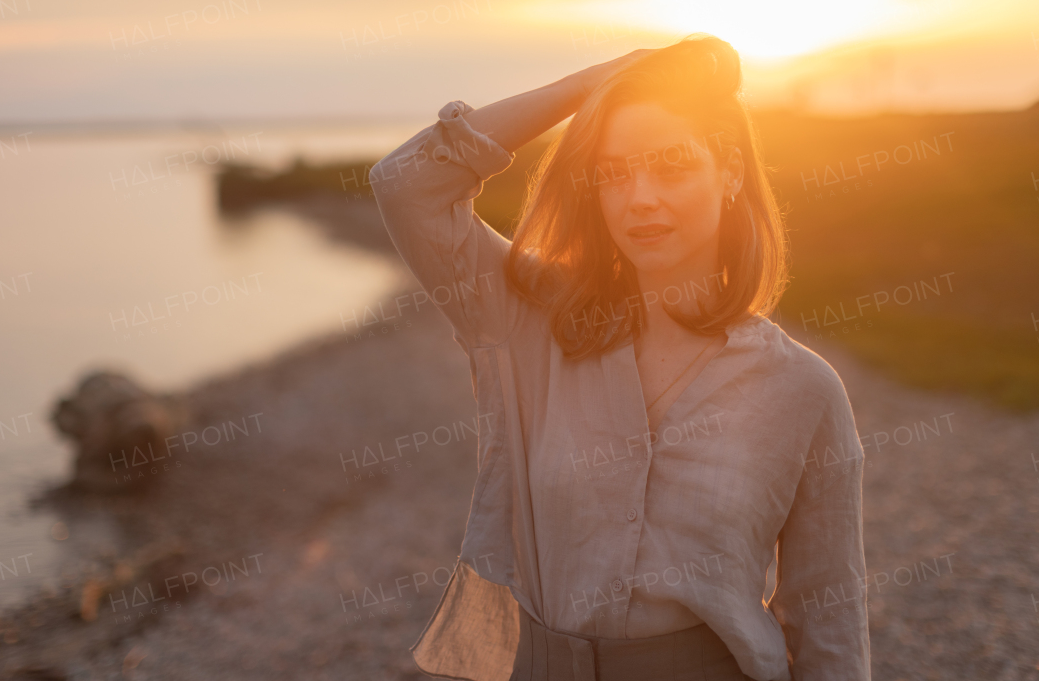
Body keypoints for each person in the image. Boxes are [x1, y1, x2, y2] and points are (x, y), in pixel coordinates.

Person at [368, 34, 870, 680]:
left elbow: (829, 626)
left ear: (731, 171)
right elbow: (407, 185)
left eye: (672, 165)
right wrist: (598, 83)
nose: (640, 198)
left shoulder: (802, 388)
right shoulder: (532, 323)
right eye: (614, 171)